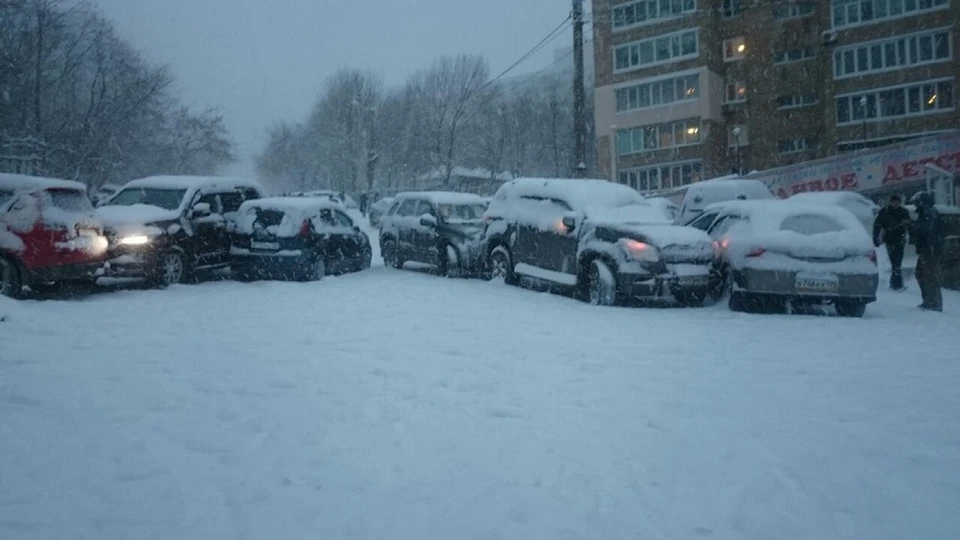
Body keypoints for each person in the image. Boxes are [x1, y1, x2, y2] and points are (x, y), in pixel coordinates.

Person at [909, 192, 943, 312]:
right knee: (920, 274)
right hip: (926, 249)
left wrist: (911, 224)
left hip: (931, 250)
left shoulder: (930, 212)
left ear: (922, 202)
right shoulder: (925, 212)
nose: (915, 205)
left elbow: (925, 228)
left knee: (930, 275)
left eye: (917, 202)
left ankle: (935, 302)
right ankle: (928, 300)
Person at [872, 194, 911, 290]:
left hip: (900, 239)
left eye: (898, 202)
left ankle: (895, 283)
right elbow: (877, 225)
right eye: (894, 202)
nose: (896, 204)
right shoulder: (885, 212)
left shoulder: (903, 212)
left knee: (898, 261)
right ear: (891, 202)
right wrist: (876, 238)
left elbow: (909, 225)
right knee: (895, 261)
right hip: (890, 239)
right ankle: (897, 283)